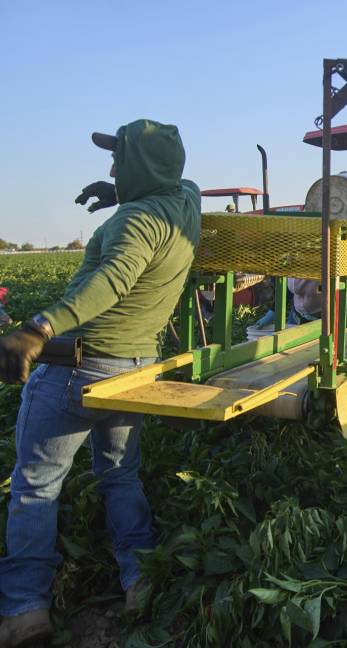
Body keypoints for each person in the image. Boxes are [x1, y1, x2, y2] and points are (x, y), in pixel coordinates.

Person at [0, 119, 201, 645]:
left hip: (78, 370)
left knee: (36, 487)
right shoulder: (184, 204)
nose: (111, 167)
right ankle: (140, 580)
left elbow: (110, 282)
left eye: (119, 160)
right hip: (133, 369)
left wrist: (38, 327)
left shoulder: (135, 223)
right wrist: (122, 190)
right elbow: (179, 182)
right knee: (120, 476)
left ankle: (24, 609)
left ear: (140, 167)